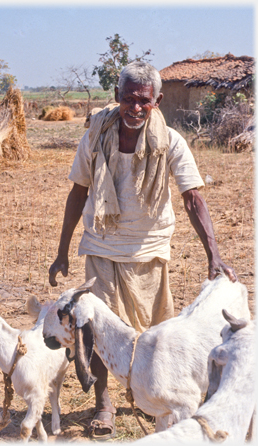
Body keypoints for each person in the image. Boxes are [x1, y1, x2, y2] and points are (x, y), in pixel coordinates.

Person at [48, 61, 237, 440]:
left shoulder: (170, 141)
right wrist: (63, 251)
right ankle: (104, 405)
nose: (135, 108)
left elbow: (192, 198)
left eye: (144, 102)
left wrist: (213, 255)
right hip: (101, 246)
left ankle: (155, 397)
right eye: (129, 99)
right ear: (117, 96)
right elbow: (78, 192)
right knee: (95, 332)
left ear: (158, 101)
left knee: (156, 336)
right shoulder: (96, 135)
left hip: (150, 251)